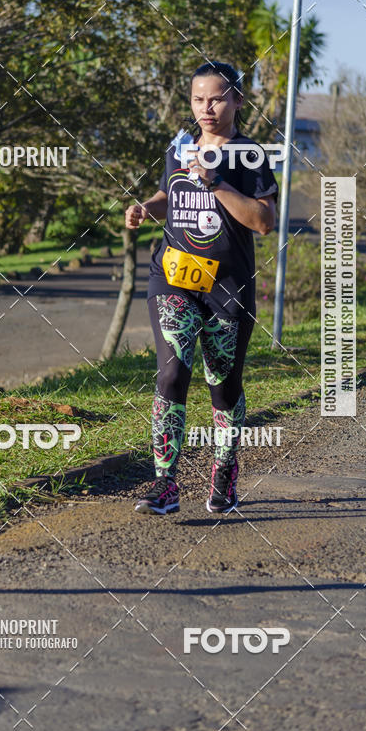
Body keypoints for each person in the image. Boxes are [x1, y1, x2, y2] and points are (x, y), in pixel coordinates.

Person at [125, 61, 278, 514]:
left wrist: (217, 183)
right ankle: (165, 485)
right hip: (173, 276)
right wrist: (145, 208)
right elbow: (168, 196)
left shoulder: (249, 155)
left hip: (228, 287)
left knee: (223, 388)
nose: (206, 108)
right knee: (172, 373)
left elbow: (264, 221)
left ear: (237, 101)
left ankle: (224, 472)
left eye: (216, 99)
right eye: (197, 99)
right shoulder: (179, 146)